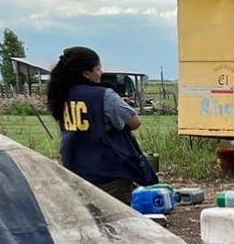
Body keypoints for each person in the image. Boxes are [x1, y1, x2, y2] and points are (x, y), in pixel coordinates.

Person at [46, 46, 157, 204]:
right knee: (117, 223)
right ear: (86, 74)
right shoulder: (104, 95)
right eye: (97, 68)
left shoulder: (60, 95)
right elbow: (134, 122)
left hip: (75, 171)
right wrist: (119, 104)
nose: (101, 72)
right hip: (108, 173)